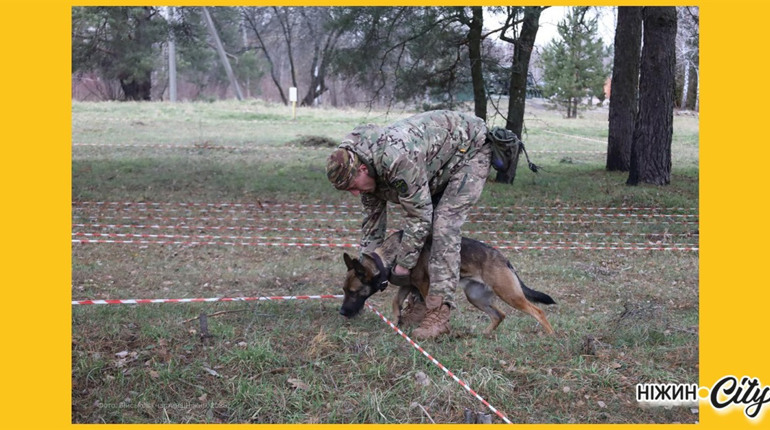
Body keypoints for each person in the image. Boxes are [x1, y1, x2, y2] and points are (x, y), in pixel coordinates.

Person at [326, 110, 491, 340]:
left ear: (363, 169)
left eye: (354, 186)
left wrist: (403, 265)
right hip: (433, 160)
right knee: (423, 234)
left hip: (469, 151)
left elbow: (419, 216)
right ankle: (420, 303)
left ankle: (438, 314)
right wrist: (367, 263)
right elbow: (372, 221)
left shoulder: (396, 160)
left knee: (442, 226)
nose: (354, 193)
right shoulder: (357, 160)